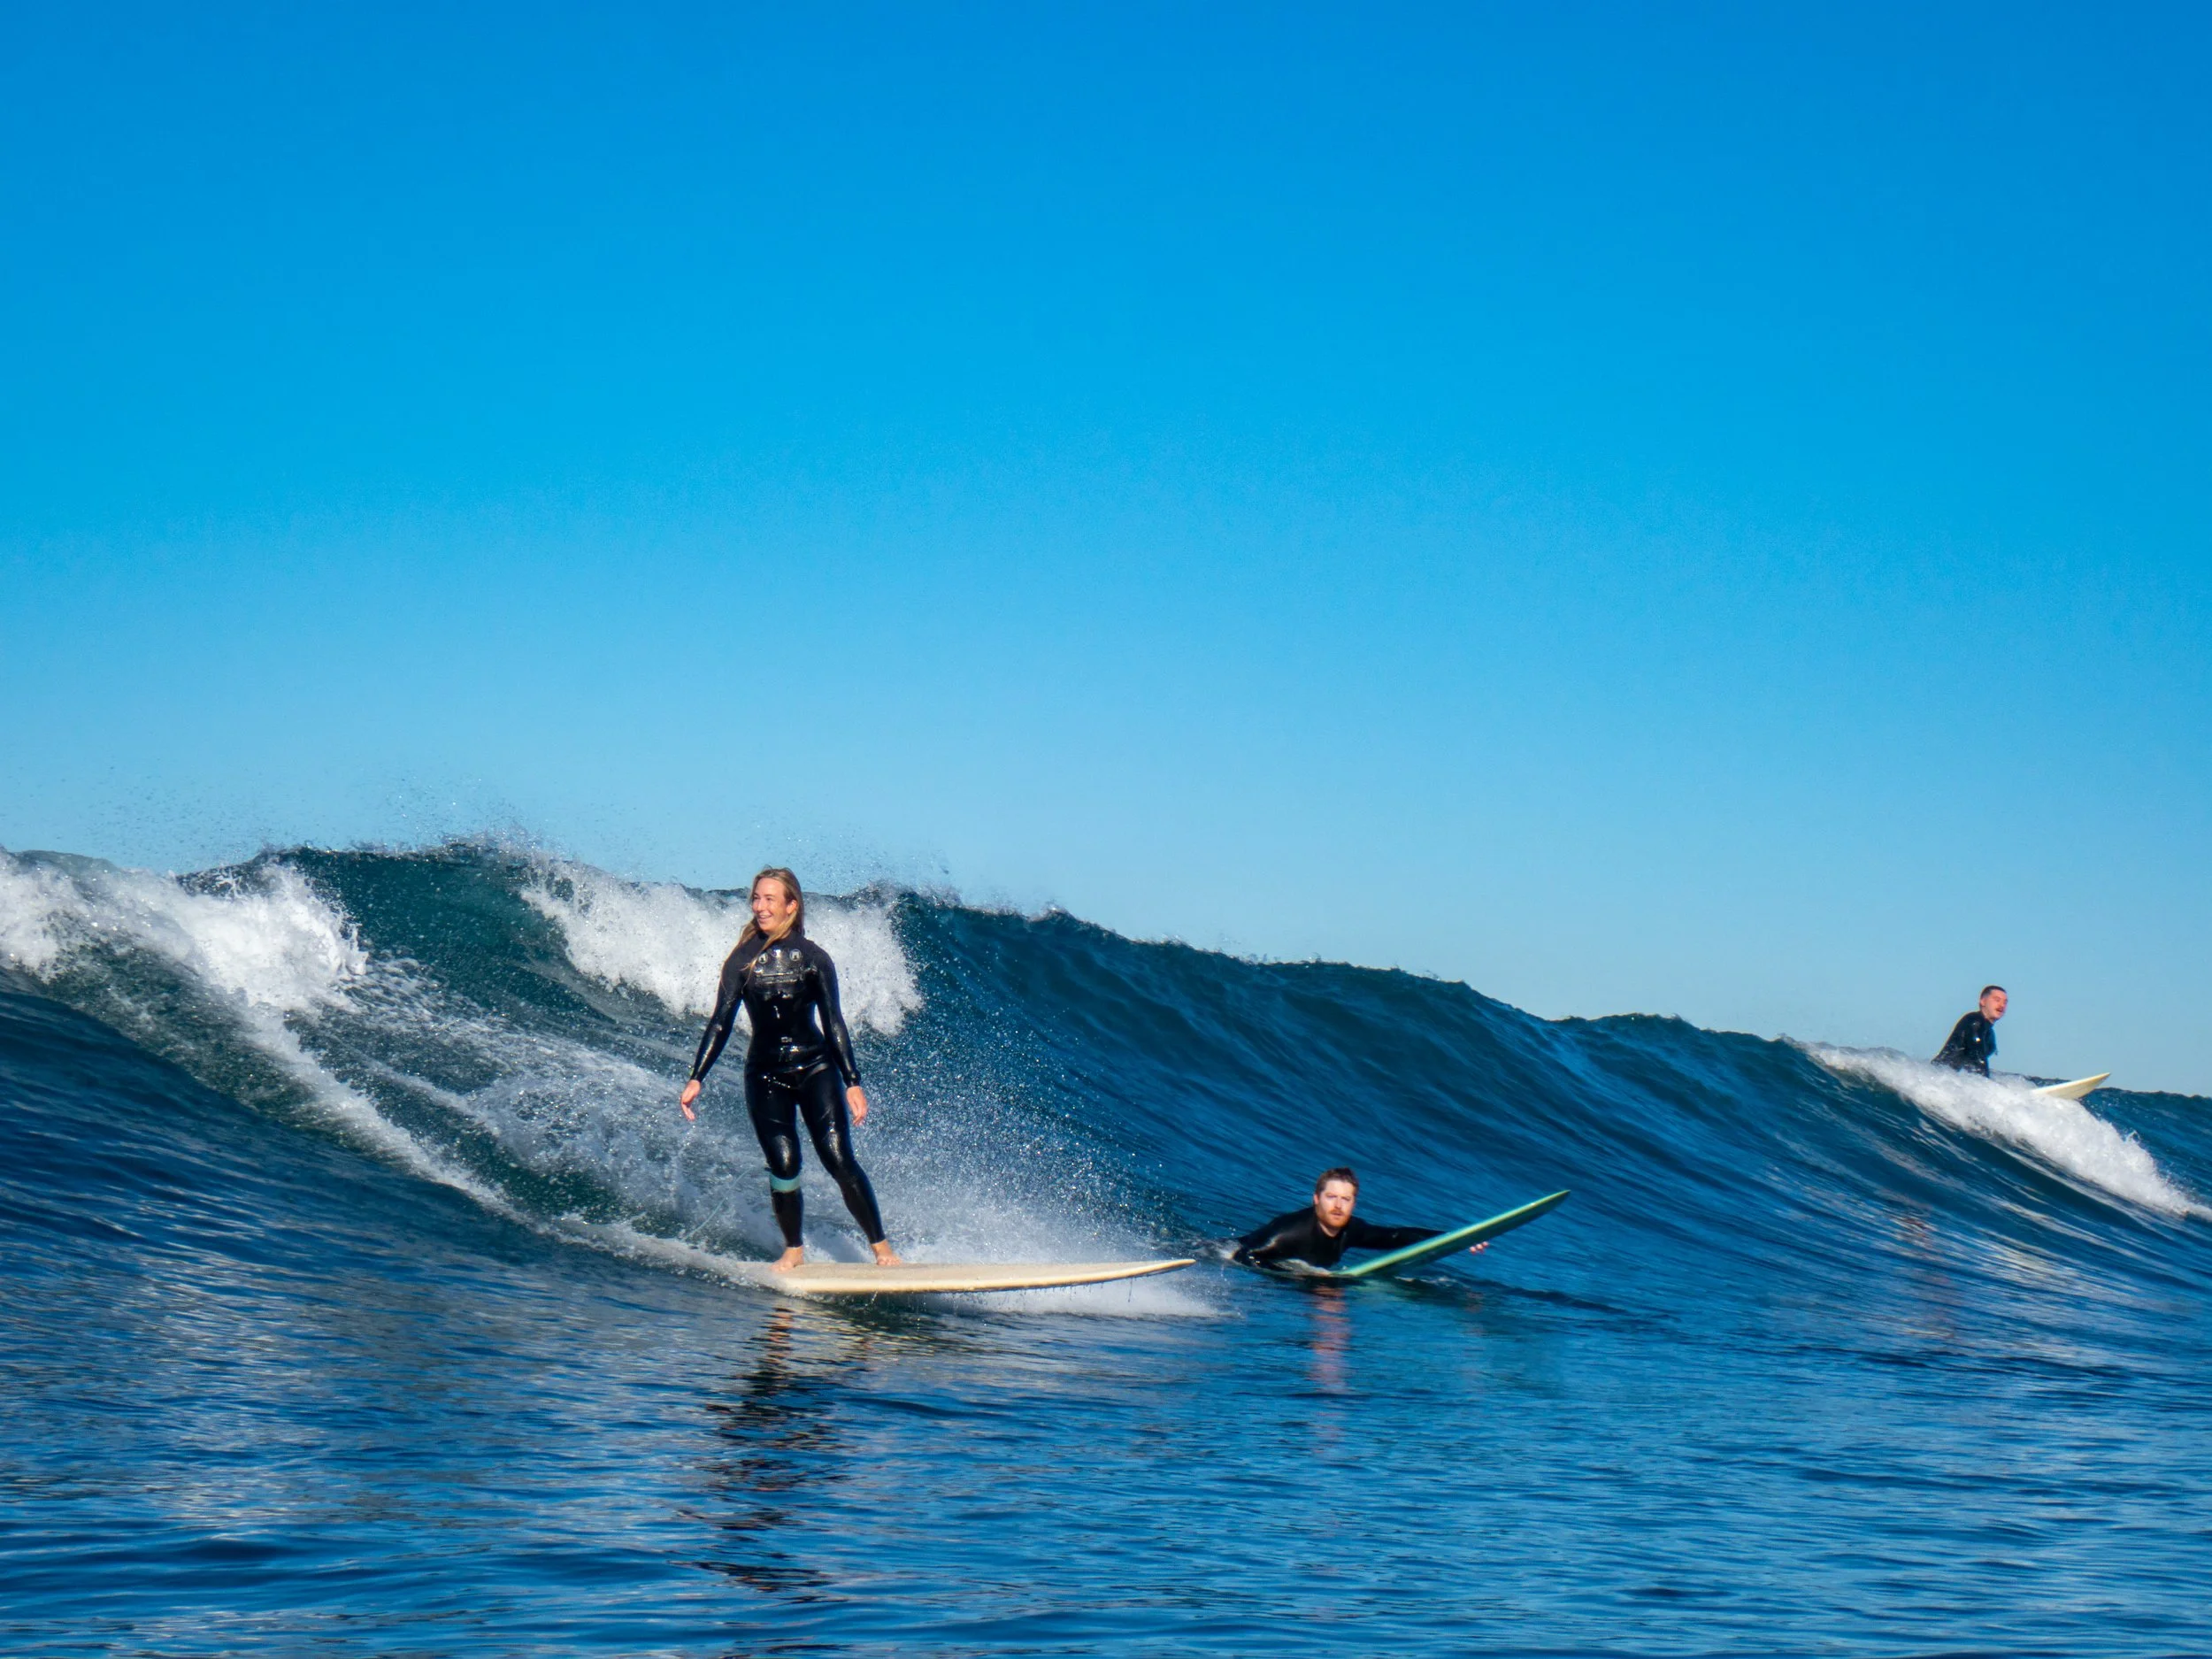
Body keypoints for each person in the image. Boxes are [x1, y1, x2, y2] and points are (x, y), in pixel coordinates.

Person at [678, 867, 902, 1271]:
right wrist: (697, 1076)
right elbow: (720, 1022)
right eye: (756, 899)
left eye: (769, 899)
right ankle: (794, 1249)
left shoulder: (815, 959)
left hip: (816, 1066)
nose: (760, 907)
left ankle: (882, 1249)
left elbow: (834, 1021)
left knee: (836, 1157)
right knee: (784, 1163)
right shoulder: (742, 960)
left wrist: (852, 1081)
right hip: (765, 1072)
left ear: (790, 906)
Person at [1233, 1167, 1483, 1270]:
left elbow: (1395, 1237)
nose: (1338, 1206)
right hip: (1228, 1254)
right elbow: (1244, 1256)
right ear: (1316, 1199)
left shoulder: (1351, 1229)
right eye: (1331, 1197)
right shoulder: (1289, 1232)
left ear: (1354, 1204)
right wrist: (1298, 1274)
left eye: (1346, 1199)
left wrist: (1456, 1239)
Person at [1933, 985, 2008, 1076]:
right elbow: (1977, 1058)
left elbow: (1975, 1065)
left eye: (2005, 1002)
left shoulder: (1989, 1033)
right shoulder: (1974, 1021)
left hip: (1949, 1078)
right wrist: (1988, 1085)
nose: (2002, 1005)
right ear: (1983, 1001)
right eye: (1997, 1000)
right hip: (1938, 1075)